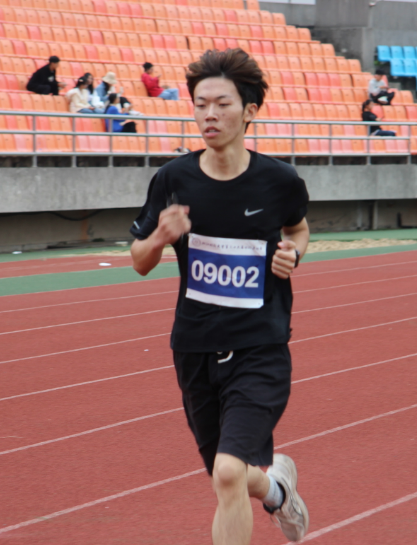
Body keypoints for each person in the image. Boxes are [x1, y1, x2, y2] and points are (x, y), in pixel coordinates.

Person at [129, 48, 310, 545]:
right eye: (201, 104)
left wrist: (292, 254)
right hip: (195, 347)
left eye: (222, 104)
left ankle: (269, 488)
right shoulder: (173, 179)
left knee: (228, 473)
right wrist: (161, 237)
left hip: (259, 346)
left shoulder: (279, 181)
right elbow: (139, 261)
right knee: (226, 474)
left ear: (250, 111)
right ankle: (277, 490)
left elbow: (297, 228)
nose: (209, 114)